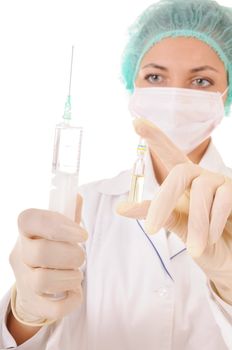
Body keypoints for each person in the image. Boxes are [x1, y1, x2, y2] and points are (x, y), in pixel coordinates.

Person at [0, 0, 232, 348]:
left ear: (226, 93)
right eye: (155, 76)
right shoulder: (87, 205)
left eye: (201, 80)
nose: (175, 97)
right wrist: (24, 313)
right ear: (132, 86)